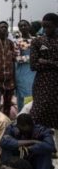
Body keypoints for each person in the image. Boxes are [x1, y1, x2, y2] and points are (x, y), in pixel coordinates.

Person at [30, 13, 58, 152]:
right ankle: (37, 146)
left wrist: (46, 61)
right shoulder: (37, 42)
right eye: (44, 26)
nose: (45, 29)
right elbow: (34, 65)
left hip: (56, 84)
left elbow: (40, 62)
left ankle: (53, 148)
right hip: (42, 84)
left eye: (49, 26)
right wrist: (54, 64)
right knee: (38, 114)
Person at [14, 20, 36, 111]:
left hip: (34, 71)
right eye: (21, 26)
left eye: (25, 25)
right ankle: (22, 116)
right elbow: (17, 58)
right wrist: (32, 57)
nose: (23, 27)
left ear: (29, 26)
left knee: (34, 93)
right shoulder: (17, 42)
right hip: (22, 72)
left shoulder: (36, 40)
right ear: (19, 28)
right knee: (23, 94)